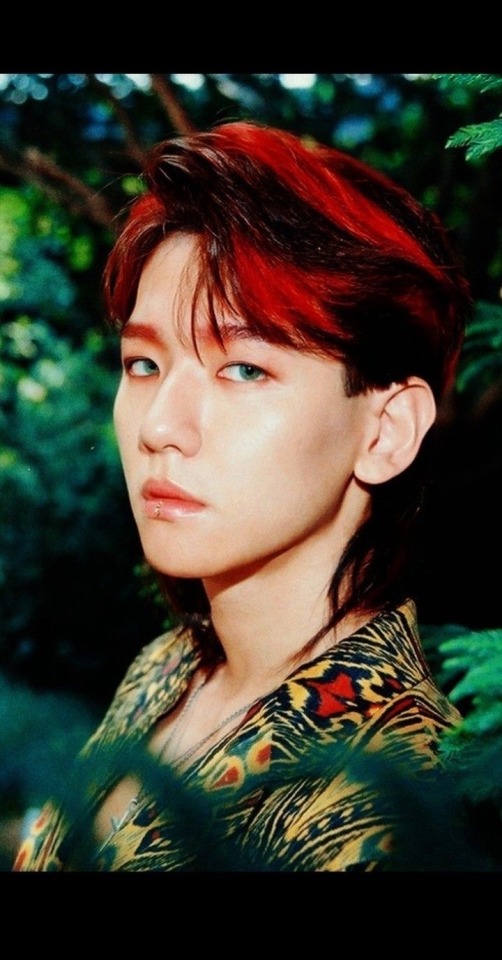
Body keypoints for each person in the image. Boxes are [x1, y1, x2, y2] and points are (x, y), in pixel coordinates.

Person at [14, 120, 471, 872]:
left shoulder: (394, 806)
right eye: (143, 364)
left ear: (386, 430)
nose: (159, 427)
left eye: (245, 370)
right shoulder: (168, 668)